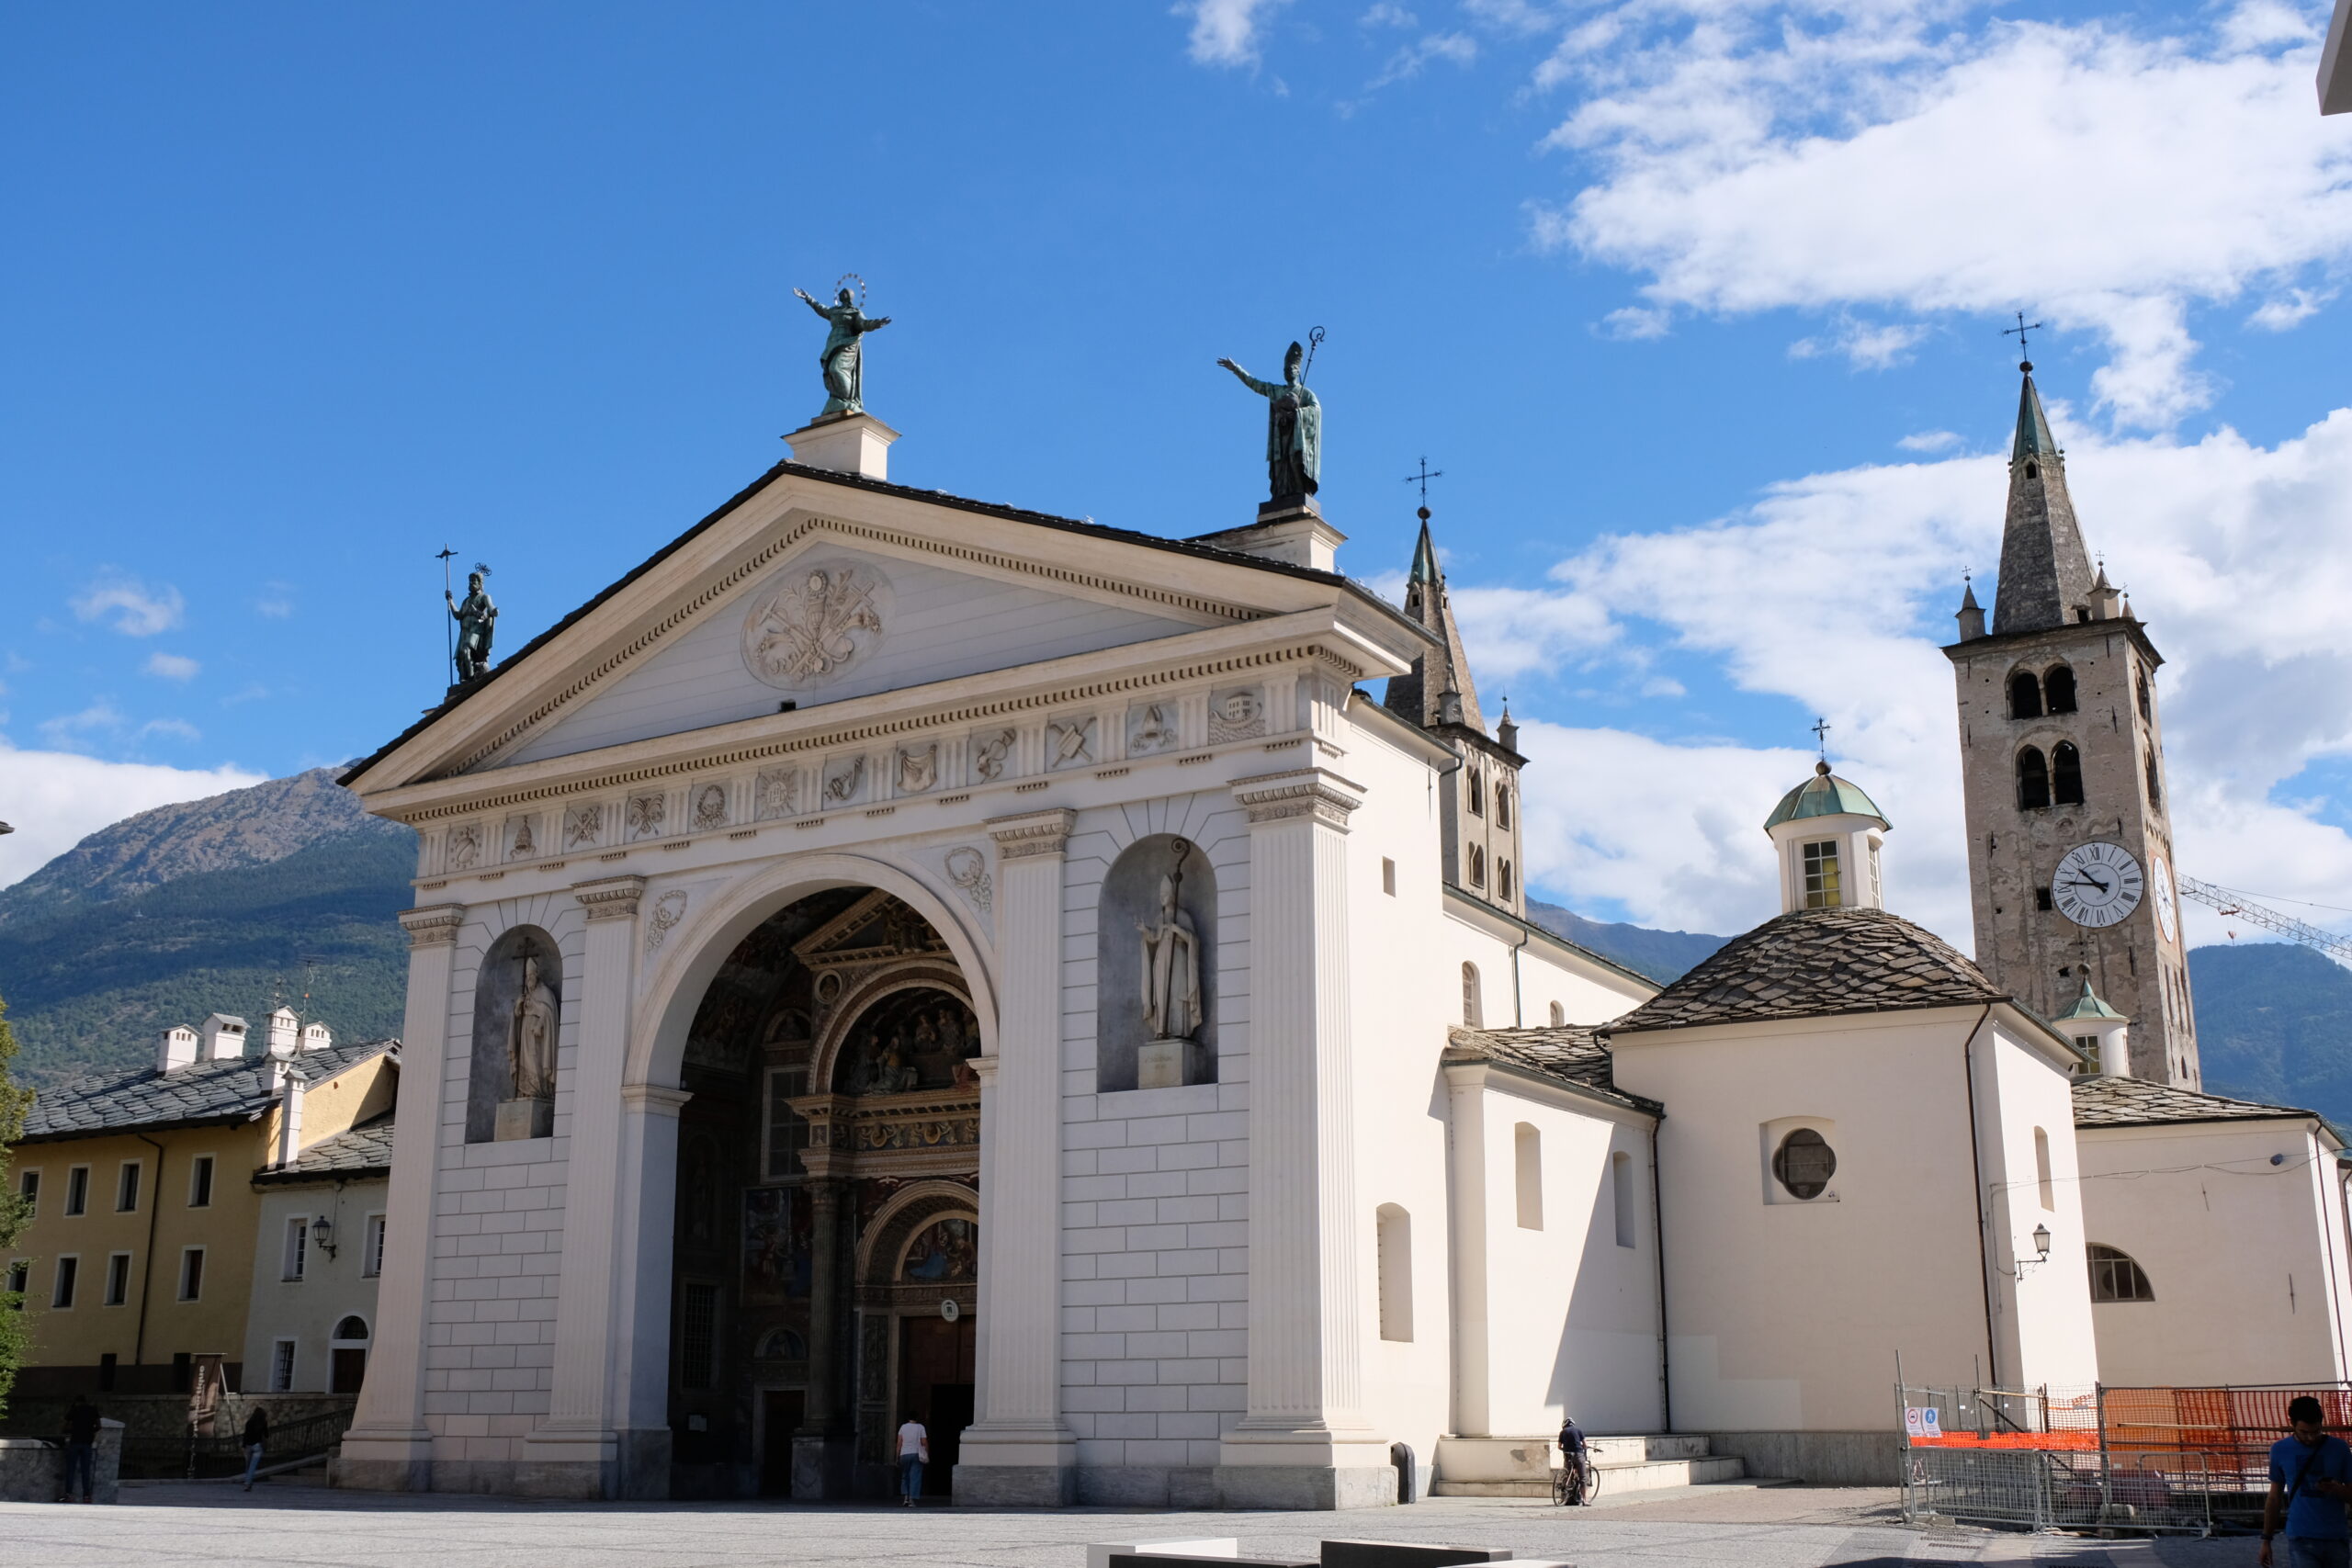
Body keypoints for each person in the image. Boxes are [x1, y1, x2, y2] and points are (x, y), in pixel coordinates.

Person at [2264, 1395, 2352, 1568]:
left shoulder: (2340, 1448)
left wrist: (2336, 1489)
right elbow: (2274, 1498)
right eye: (2304, 1432)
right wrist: (2266, 1540)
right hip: (2301, 1536)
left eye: (2316, 1431)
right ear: (2292, 1425)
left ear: (2322, 1424)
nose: (2311, 1438)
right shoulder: (2279, 1450)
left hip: (2336, 1537)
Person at [60, 1393, 100, 1504]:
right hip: (87, 1443)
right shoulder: (93, 1410)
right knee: (86, 1471)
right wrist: (91, 1431)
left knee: (71, 1469)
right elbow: (99, 1426)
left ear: (77, 1402)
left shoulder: (74, 1410)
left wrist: (70, 1431)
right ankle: (86, 1496)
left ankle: (68, 1495)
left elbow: (64, 1426)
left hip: (75, 1441)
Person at [895, 1410, 929, 1506]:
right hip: (916, 1454)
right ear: (917, 1418)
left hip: (904, 1454)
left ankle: (905, 1498)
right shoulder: (920, 1427)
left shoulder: (903, 1427)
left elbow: (899, 1443)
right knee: (915, 1477)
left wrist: (897, 1457)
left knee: (905, 1476)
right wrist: (926, 1453)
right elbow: (924, 1442)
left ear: (908, 1418)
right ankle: (912, 1500)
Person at [1558, 1413, 1591, 1506]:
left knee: (1567, 1475)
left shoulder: (1562, 1432)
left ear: (1564, 1424)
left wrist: (1565, 1449)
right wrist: (1582, 1447)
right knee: (1582, 1477)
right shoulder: (1579, 1430)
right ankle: (1584, 1500)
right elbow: (1585, 1445)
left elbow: (1559, 1446)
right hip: (1578, 1454)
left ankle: (1563, 1499)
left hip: (1567, 1455)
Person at [241, 1405, 270, 1492]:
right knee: (252, 1467)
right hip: (257, 1445)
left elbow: (245, 1435)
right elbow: (266, 1434)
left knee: (248, 1466)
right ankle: (248, 1483)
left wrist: (243, 1446)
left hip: (248, 1446)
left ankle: (247, 1483)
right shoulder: (263, 1422)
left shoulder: (249, 1422)